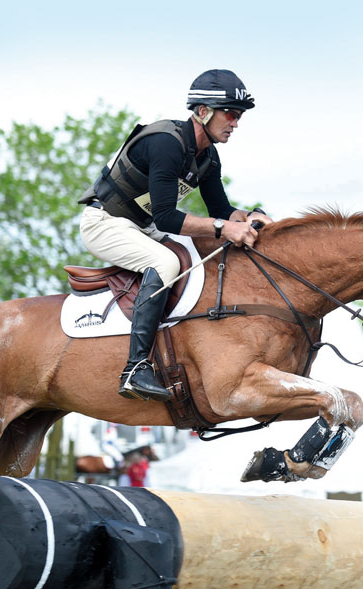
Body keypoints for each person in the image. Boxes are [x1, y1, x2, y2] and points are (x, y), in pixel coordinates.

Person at [77, 68, 273, 402]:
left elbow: (221, 210)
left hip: (142, 226)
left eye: (238, 116)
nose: (236, 123)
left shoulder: (208, 156)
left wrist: (248, 217)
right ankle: (135, 369)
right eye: (231, 113)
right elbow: (167, 217)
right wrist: (226, 227)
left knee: (202, 251)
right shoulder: (166, 143)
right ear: (203, 112)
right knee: (167, 263)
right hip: (105, 223)